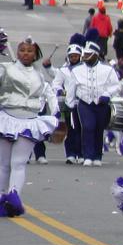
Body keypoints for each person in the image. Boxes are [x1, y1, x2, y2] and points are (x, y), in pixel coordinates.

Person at [0, 37, 59, 216]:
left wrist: (55, 112)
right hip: (7, 119)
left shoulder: (39, 75)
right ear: (17, 52)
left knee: (19, 163)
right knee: (3, 165)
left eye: (29, 51)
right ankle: (2, 197)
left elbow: (49, 93)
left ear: (35, 54)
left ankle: (14, 196)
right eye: (22, 50)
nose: (26, 53)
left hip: (30, 121)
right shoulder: (5, 69)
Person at [65, 32, 121, 166]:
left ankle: (97, 156)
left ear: (95, 54)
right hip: (84, 103)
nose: (84, 57)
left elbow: (116, 86)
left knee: (98, 129)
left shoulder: (107, 70)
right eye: (84, 54)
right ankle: (88, 156)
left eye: (88, 54)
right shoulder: (77, 70)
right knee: (88, 127)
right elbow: (72, 88)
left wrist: (107, 95)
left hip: (102, 104)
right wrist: (70, 104)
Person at [52, 33, 86, 163]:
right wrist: (60, 90)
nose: (73, 58)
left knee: (82, 130)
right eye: (71, 56)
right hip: (68, 105)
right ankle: (70, 154)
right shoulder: (64, 70)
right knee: (70, 130)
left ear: (80, 56)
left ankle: (81, 154)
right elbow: (56, 83)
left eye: (76, 56)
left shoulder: (85, 69)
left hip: (82, 104)